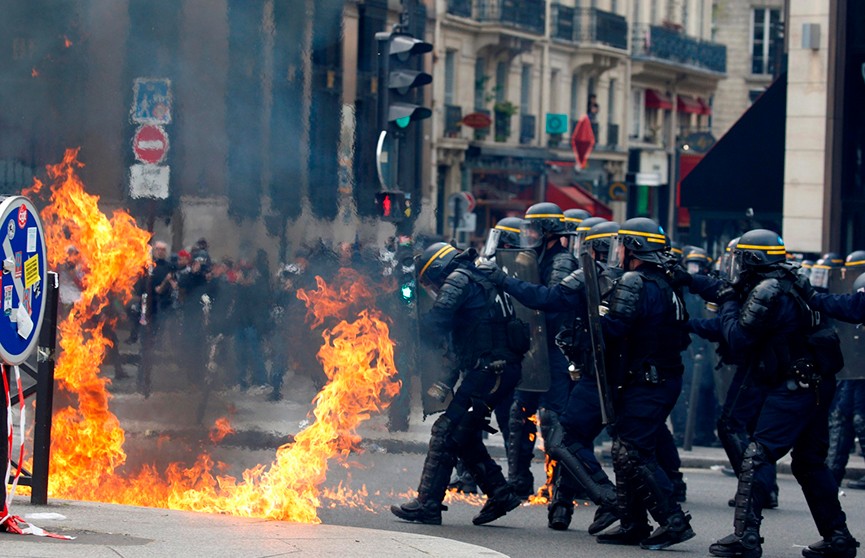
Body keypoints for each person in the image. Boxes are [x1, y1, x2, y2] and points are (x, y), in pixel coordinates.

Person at [482, 217, 695, 549]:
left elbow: (613, 330)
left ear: (635, 248)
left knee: (618, 448)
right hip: (633, 379)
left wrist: (585, 328)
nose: (618, 251)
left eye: (622, 245)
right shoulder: (660, 282)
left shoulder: (634, 282)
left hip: (633, 380)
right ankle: (632, 522)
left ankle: (666, 518)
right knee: (621, 450)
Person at [704, 229, 858, 558]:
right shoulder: (792, 282)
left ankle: (745, 537)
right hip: (814, 383)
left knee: (757, 455)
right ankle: (838, 537)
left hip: (795, 387)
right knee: (809, 462)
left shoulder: (769, 289)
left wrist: (728, 302)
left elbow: (739, 338)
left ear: (752, 260)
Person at [390, 242, 525, 526]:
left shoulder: (459, 279)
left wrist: (408, 325)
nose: (432, 288)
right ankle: (500, 493)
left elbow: (438, 320)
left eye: (429, 281)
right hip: (498, 370)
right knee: (463, 435)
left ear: (439, 269)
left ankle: (427, 504)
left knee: (446, 430)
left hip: (490, 371)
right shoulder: (481, 278)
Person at [508, 202, 578, 529]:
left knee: (553, 426)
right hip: (536, 351)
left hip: (557, 352)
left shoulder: (562, 261)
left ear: (549, 231)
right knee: (519, 416)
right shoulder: (537, 257)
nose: (530, 234)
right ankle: (518, 482)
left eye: (534, 229)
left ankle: (560, 501)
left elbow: (549, 301)